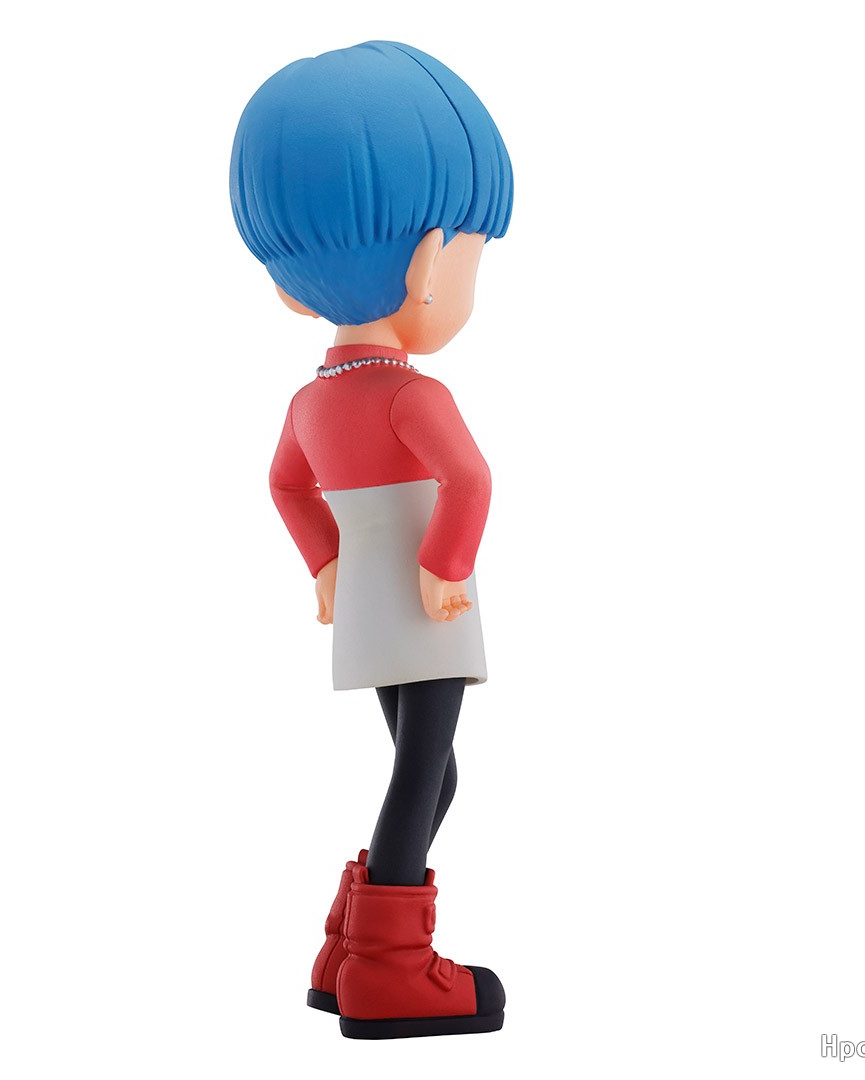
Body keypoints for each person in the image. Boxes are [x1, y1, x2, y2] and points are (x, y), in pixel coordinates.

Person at [229, 40, 513, 1040]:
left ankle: (348, 948)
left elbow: (283, 484)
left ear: (288, 285)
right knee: (424, 772)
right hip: (429, 608)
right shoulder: (413, 394)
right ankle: (388, 969)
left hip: (366, 605)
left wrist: (327, 565)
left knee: (430, 771)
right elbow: (471, 480)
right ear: (431, 261)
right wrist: (443, 569)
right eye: (474, 254)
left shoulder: (311, 402)